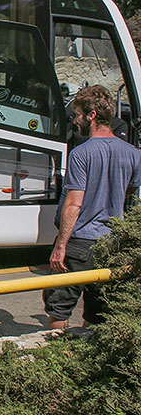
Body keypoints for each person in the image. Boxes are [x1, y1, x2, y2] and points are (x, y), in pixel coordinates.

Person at [44, 85, 141, 329]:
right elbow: (129, 190)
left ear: (92, 115)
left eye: (78, 114)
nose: (75, 120)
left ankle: (57, 348)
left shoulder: (81, 154)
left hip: (79, 241)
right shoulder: (133, 154)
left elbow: (73, 204)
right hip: (111, 243)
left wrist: (61, 246)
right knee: (98, 313)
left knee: (59, 308)